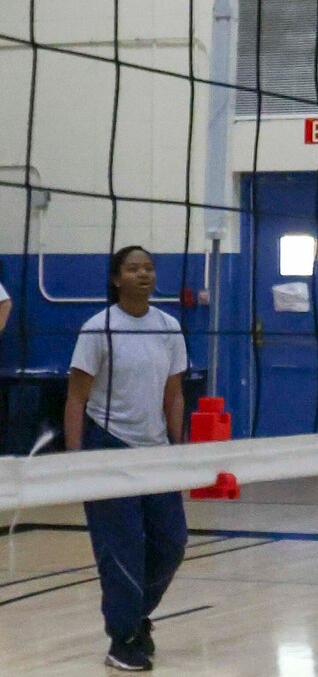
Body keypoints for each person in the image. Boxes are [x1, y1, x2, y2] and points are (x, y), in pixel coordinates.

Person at [65, 246, 189, 673]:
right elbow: (76, 397)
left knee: (172, 544)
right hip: (107, 446)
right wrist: (75, 460)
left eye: (149, 268)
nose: (144, 274)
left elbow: (174, 394)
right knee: (121, 552)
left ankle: (134, 616)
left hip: (156, 452)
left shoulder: (169, 327)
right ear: (117, 278)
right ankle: (123, 639)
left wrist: (180, 448)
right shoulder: (98, 328)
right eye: (134, 268)